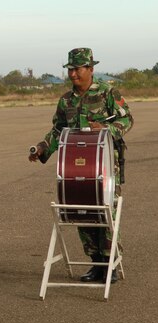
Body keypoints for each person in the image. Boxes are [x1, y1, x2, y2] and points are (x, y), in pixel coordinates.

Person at [29, 47, 133, 283]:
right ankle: (95, 263)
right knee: (83, 212)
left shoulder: (107, 92)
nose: (74, 74)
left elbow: (127, 118)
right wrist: (43, 148)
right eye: (71, 70)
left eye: (78, 69)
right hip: (76, 167)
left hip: (106, 165)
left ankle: (110, 265)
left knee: (107, 213)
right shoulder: (66, 100)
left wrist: (108, 129)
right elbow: (58, 130)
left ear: (90, 69)